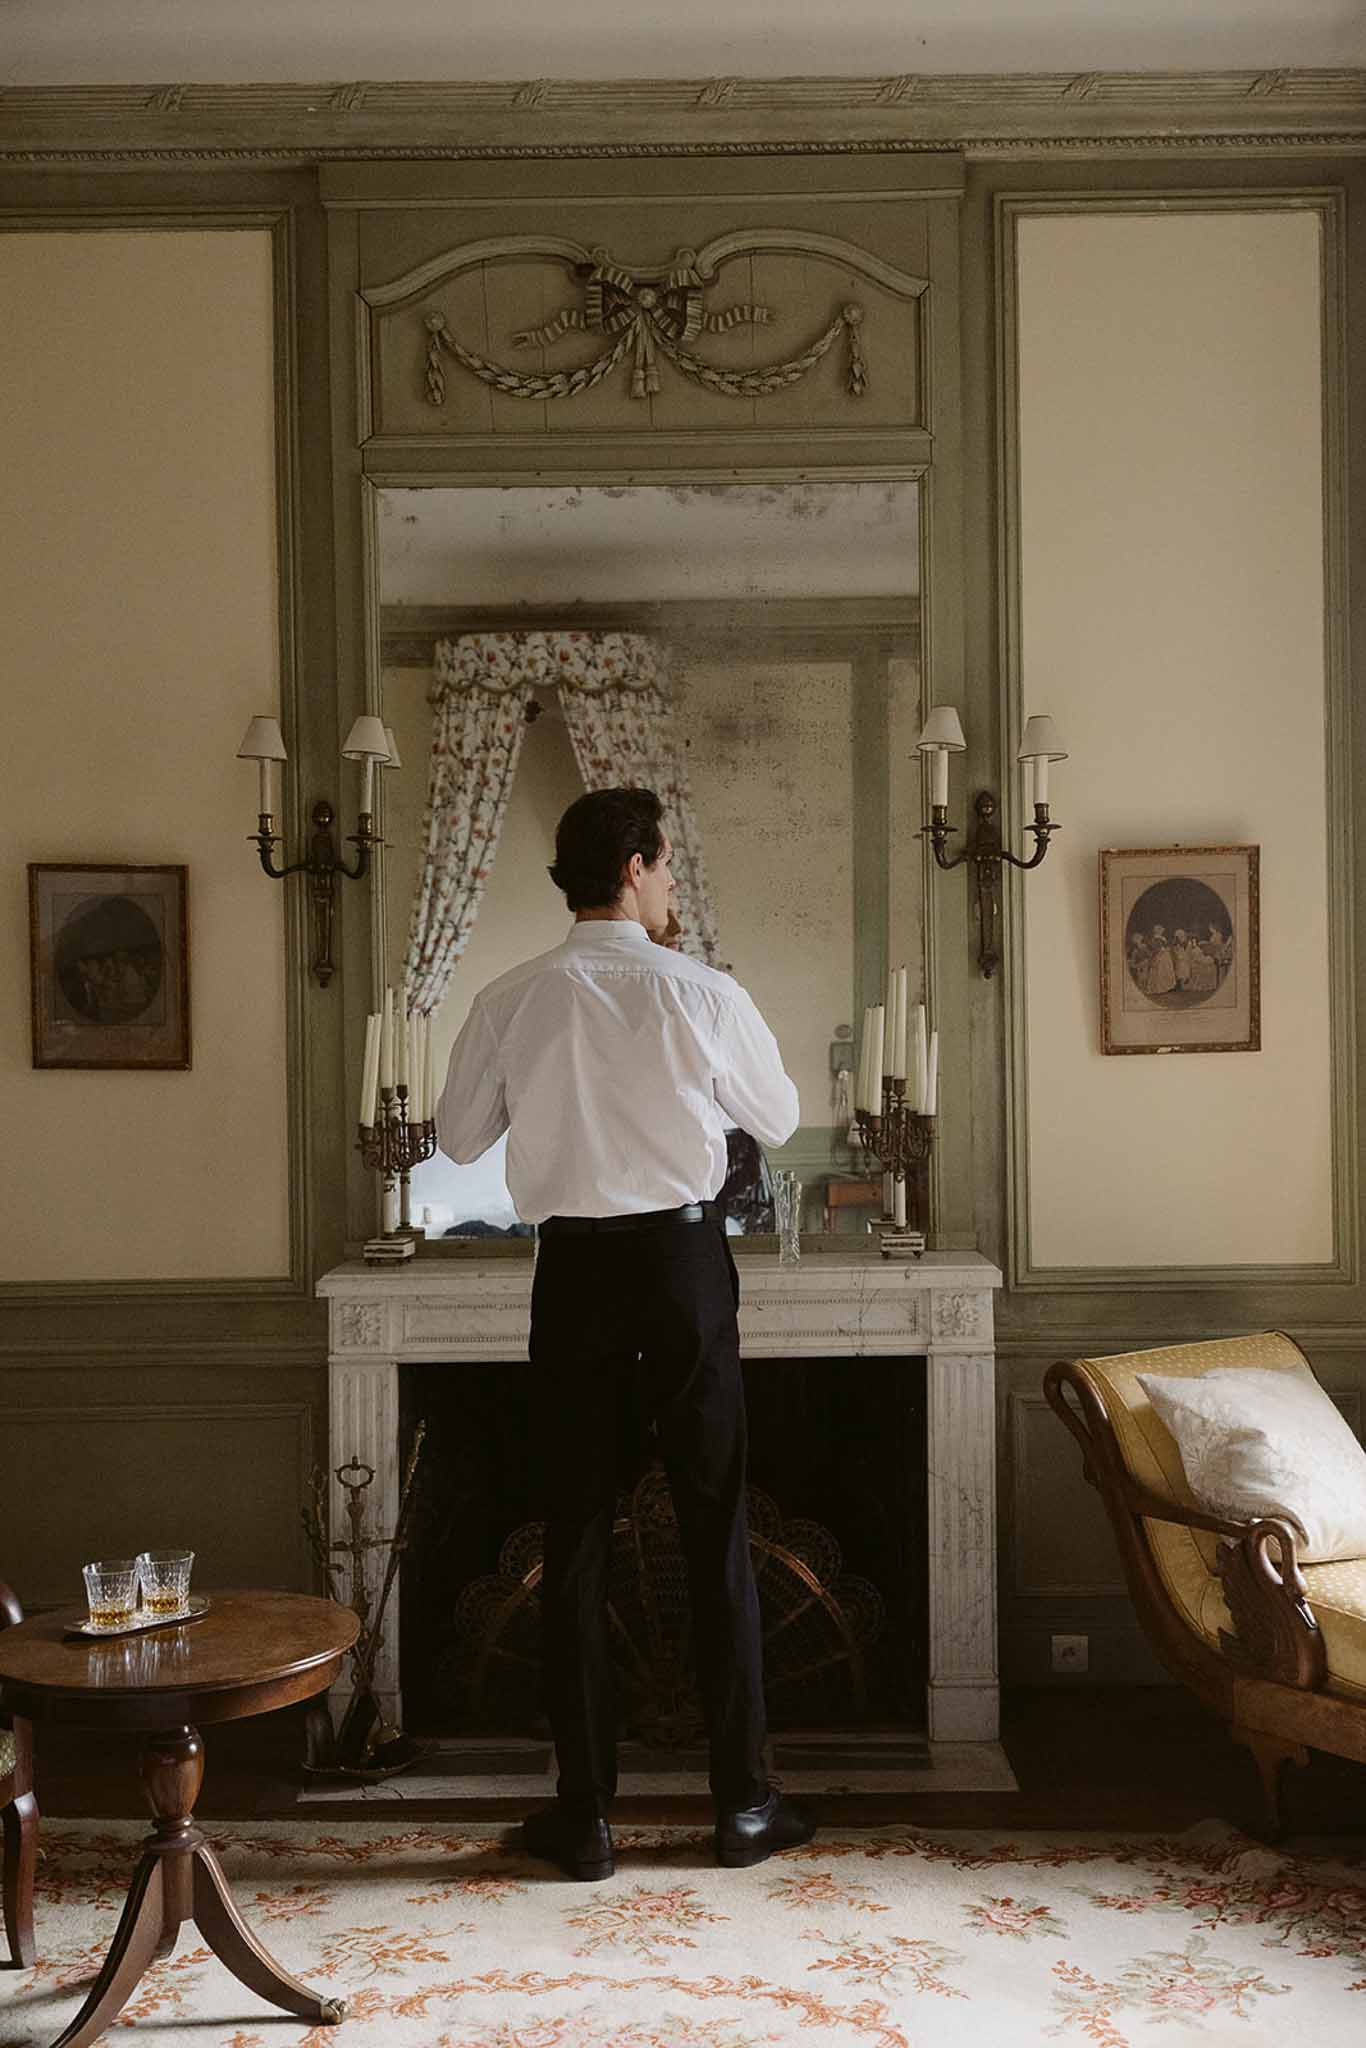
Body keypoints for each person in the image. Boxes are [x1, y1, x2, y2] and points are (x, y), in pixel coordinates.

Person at [436, 786, 815, 1883]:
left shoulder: (512, 996)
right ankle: (742, 1805)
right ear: (640, 866)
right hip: (684, 1270)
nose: (672, 888)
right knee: (713, 1527)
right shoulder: (702, 991)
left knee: (578, 1539)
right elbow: (781, 1118)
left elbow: (458, 1135)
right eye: (668, 871)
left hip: (575, 1275)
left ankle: (585, 1815)